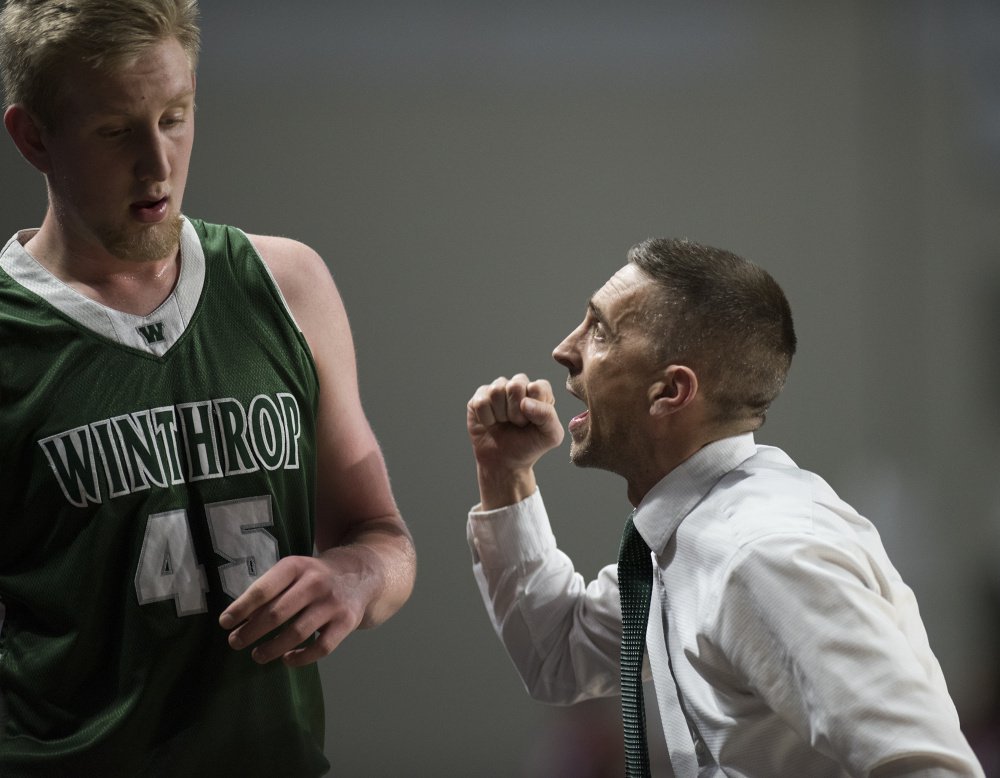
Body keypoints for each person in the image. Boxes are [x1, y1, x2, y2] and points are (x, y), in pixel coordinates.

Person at [0, 1, 416, 775]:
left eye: (176, 116)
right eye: (115, 131)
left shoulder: (285, 282)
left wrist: (350, 579)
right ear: (32, 137)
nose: (157, 165)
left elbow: (382, 537)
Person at [465, 238, 984, 777]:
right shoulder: (690, 537)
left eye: (600, 330)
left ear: (670, 391)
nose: (564, 349)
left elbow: (929, 767)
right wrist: (505, 472)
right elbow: (559, 655)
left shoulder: (765, 553)